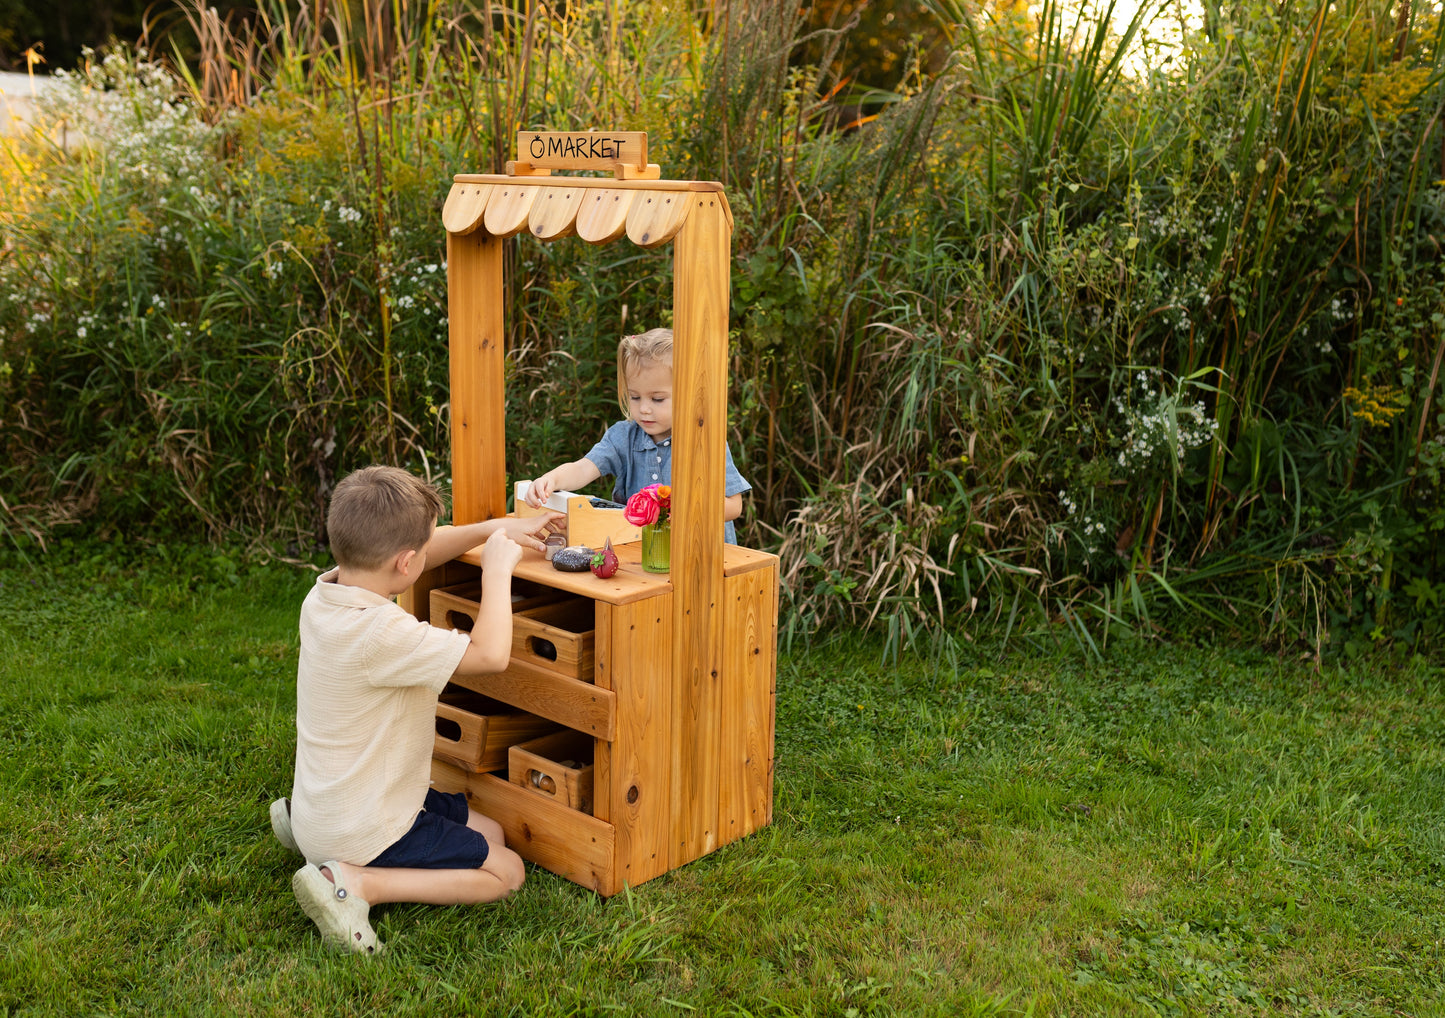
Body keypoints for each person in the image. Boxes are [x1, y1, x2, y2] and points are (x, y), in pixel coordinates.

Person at [269, 465, 564, 955]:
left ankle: (310, 834)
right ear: (407, 564)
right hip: (366, 828)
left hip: (339, 806)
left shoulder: (325, 595)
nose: (433, 552)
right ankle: (355, 883)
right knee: (506, 871)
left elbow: (425, 546)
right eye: (426, 550)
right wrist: (495, 571)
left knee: (490, 830)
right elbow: (490, 656)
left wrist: (497, 529)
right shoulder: (382, 633)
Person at [521, 328, 751, 542]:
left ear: (688, 393)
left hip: (701, 555)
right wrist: (551, 480)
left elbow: (733, 506)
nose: (644, 409)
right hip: (640, 553)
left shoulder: (704, 440)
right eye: (635, 397)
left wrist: (689, 510)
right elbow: (583, 468)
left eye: (657, 399)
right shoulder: (623, 437)